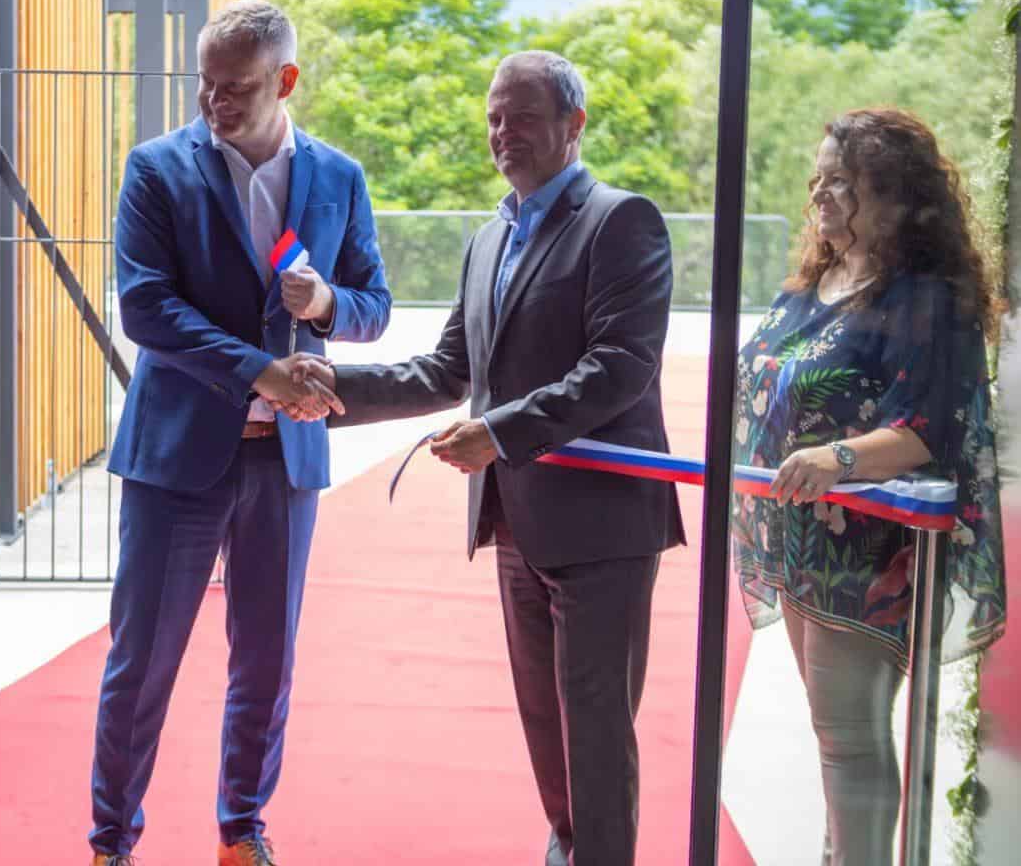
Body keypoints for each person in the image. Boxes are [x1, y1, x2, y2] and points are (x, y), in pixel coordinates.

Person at [299, 50, 684, 865]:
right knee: (547, 729)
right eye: (494, 118)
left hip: (603, 527)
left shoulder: (622, 221)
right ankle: (570, 850)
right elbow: (448, 371)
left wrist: (500, 432)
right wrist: (334, 390)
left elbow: (620, 367)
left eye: (524, 117)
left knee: (595, 733)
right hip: (516, 522)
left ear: (575, 126)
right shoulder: (489, 239)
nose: (503, 133)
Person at [88, 0, 391, 866]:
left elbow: (374, 305)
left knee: (266, 662)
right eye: (206, 85)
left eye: (237, 87)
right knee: (143, 662)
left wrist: (327, 304)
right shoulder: (155, 169)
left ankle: (242, 831)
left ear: (286, 80)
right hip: (175, 456)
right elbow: (146, 307)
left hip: (285, 463)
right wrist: (260, 371)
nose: (214, 102)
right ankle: (111, 843)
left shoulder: (339, 177)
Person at [731, 108, 1007, 864]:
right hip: (796, 539)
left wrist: (838, 458)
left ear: (893, 193)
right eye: (818, 179)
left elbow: (929, 429)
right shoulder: (813, 282)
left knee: (850, 739)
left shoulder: (925, 299)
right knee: (833, 735)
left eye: (843, 182)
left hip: (867, 551)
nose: (821, 194)